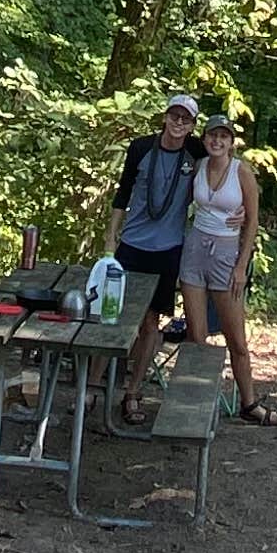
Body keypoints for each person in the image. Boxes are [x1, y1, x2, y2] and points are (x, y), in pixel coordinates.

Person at [104, 94, 201, 425]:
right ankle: (91, 387)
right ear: (165, 116)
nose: (178, 123)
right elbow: (123, 190)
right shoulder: (141, 148)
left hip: (168, 249)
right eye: (175, 116)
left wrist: (241, 210)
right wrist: (110, 237)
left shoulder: (197, 152)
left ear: (192, 126)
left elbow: (227, 169)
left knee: (150, 323)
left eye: (185, 120)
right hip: (132, 244)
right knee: (111, 315)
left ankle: (132, 393)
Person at [177, 112, 275, 423]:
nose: (217, 141)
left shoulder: (241, 171)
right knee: (197, 335)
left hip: (226, 254)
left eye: (223, 136)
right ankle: (194, 402)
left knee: (237, 339)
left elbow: (254, 220)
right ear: (204, 139)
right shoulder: (198, 165)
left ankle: (249, 403)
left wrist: (241, 265)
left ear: (232, 142)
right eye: (212, 136)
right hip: (195, 251)